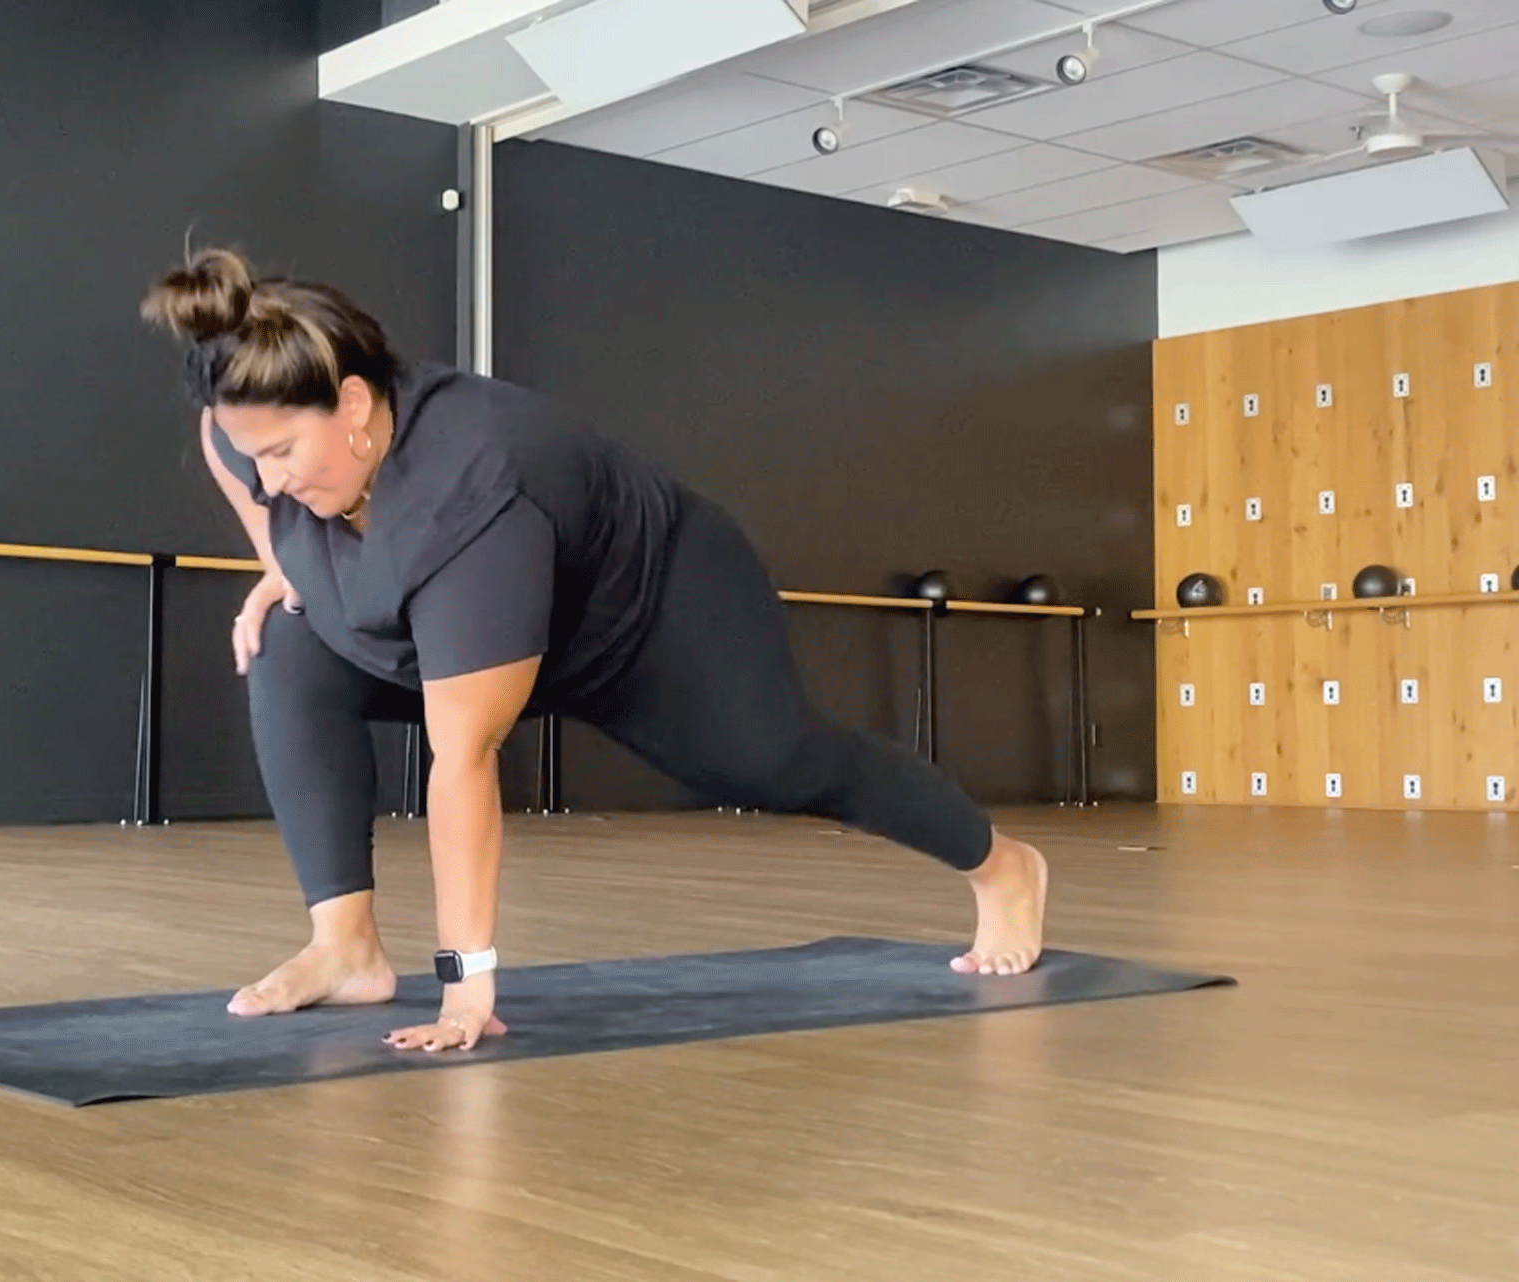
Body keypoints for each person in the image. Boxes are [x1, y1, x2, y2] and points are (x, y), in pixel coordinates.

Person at [139, 246, 1050, 1055]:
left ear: (352, 404)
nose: (270, 476)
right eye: (254, 451)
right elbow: (236, 466)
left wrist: (467, 979)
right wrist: (278, 564)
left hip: (647, 616)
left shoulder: (473, 490)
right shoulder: (250, 422)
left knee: (776, 760)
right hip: (475, 607)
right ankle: (345, 947)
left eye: (285, 451)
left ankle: (1002, 864)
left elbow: (461, 762)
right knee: (289, 644)